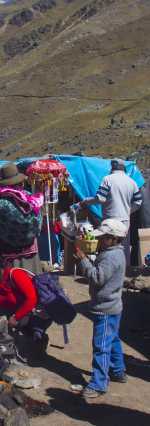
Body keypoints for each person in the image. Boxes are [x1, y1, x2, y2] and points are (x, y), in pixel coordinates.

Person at [73, 219, 127, 398]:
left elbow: (97, 278)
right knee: (112, 339)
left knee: (101, 345)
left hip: (105, 308)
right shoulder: (115, 253)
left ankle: (99, 383)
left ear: (113, 239)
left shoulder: (111, 257)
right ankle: (118, 370)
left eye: (103, 238)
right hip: (113, 306)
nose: (99, 241)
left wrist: (84, 262)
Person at [0, 252, 51, 351]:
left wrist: (16, 318)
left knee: (23, 322)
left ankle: (40, 337)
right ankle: (8, 338)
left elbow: (31, 298)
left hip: (34, 311)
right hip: (13, 310)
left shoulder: (15, 275)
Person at [79, 158, 142, 266]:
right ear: (124, 168)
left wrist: (85, 201)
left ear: (112, 168)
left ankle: (109, 269)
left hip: (110, 219)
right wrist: (127, 211)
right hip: (125, 219)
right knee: (123, 245)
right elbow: (138, 201)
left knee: (108, 246)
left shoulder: (107, 179)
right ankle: (123, 269)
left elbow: (100, 199)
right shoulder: (131, 182)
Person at [0, 162, 42, 275]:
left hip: (4, 252)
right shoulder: (30, 199)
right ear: (19, 181)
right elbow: (38, 225)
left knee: (7, 285)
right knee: (29, 284)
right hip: (29, 253)